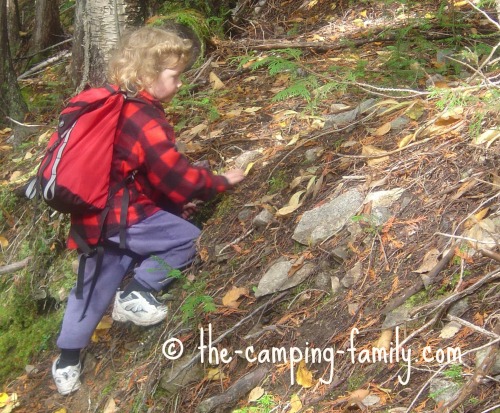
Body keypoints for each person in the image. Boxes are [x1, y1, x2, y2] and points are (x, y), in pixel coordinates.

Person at [51, 26, 245, 395]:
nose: (179, 85)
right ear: (146, 75)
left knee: (90, 288)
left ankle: (66, 362)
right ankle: (137, 292)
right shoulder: (144, 118)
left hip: (92, 217)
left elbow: (136, 170)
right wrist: (217, 181)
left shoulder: (114, 108)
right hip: (127, 217)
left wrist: (171, 200)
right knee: (185, 239)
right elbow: (174, 174)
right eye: (174, 76)